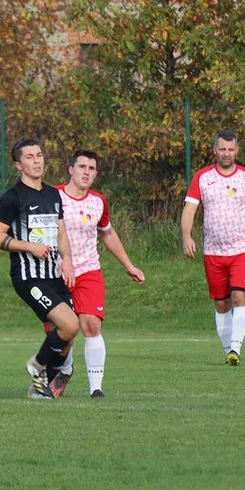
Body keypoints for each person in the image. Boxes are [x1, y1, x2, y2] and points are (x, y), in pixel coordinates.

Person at [180, 130, 245, 365]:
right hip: (213, 251)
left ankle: (235, 350)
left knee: (239, 296)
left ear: (237, 151)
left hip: (243, 248)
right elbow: (189, 209)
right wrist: (187, 235)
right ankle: (228, 350)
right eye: (222, 149)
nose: (226, 154)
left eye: (230, 150)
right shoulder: (202, 177)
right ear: (214, 151)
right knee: (221, 303)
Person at [45, 150, 145, 399]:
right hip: (54, 274)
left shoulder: (98, 202)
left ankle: (96, 388)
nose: (86, 172)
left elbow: (107, 233)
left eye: (92, 168)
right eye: (82, 166)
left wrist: (128, 265)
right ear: (71, 169)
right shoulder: (52, 197)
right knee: (63, 333)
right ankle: (65, 371)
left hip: (88, 271)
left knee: (90, 323)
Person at [0, 138, 80, 399]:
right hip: (28, 277)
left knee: (65, 335)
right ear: (18, 164)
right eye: (30, 157)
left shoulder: (53, 194)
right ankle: (36, 365)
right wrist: (29, 246)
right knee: (70, 324)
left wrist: (68, 259)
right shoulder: (12, 198)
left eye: (39, 155)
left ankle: (42, 389)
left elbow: (61, 232)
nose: (37, 161)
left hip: (53, 274)